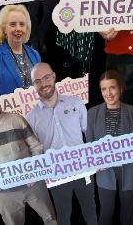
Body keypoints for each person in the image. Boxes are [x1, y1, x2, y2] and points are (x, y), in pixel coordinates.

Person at [0, 78, 57, 225]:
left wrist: (36, 171)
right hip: (3, 193)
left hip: (34, 185)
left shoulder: (16, 119)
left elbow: (36, 147)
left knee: (51, 220)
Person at [26, 63, 97, 225]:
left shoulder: (76, 103)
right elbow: (34, 151)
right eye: (37, 81)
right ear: (33, 85)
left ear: (54, 76)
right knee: (63, 216)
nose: (43, 84)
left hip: (83, 170)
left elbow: (90, 134)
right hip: (56, 176)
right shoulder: (30, 118)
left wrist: (98, 159)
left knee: (90, 212)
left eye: (46, 78)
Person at [87, 71, 133, 225]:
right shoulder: (92, 113)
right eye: (104, 89)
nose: (108, 93)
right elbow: (90, 145)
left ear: (121, 89)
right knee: (106, 211)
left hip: (128, 169)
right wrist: (94, 163)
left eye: (112, 88)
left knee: (127, 211)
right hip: (105, 171)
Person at [0, 4, 39, 97]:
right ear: (4, 29)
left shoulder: (35, 54)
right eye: (13, 24)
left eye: (22, 24)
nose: (18, 29)